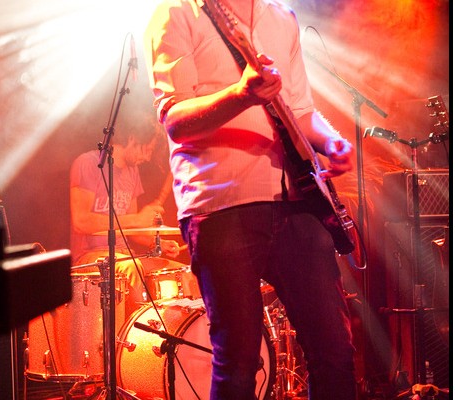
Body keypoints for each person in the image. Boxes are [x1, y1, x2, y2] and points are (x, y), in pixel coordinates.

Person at [143, 0, 356, 399]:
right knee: (239, 365)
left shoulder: (282, 17)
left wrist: (332, 141)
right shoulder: (179, 12)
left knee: (335, 353)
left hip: (298, 201)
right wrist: (242, 94)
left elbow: (302, 109)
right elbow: (175, 119)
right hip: (221, 205)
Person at [70, 120, 181, 316]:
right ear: (132, 138)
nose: (147, 157)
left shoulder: (132, 171)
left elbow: (130, 228)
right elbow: (81, 221)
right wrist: (138, 219)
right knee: (131, 267)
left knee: (179, 272)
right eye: (146, 150)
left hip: (124, 254)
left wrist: (157, 244)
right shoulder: (88, 163)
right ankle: (141, 338)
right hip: (90, 257)